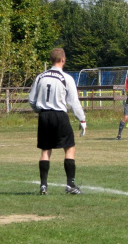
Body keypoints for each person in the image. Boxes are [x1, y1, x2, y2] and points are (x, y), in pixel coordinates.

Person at [28, 48, 87, 195]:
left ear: (51, 60)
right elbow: (73, 102)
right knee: (69, 147)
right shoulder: (66, 78)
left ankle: (43, 186)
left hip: (44, 115)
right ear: (63, 60)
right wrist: (82, 119)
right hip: (59, 115)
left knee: (46, 150)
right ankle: (70, 185)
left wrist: (38, 109)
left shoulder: (40, 77)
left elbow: (31, 99)